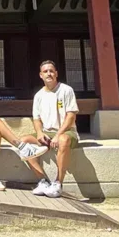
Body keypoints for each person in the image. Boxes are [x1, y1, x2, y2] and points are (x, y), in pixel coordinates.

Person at [20, 60, 80, 198]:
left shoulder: (66, 90)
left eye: (51, 71)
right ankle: (43, 180)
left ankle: (58, 183)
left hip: (66, 131)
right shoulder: (38, 96)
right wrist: (40, 133)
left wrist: (58, 135)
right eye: (45, 71)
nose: (49, 74)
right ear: (40, 75)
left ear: (56, 73)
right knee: (23, 141)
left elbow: (71, 116)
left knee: (64, 140)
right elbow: (36, 119)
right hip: (47, 132)